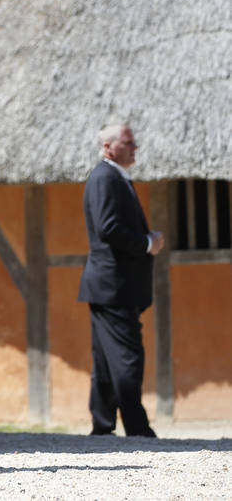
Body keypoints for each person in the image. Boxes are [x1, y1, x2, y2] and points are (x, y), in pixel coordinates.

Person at [79, 123, 163, 437]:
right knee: (128, 356)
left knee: (105, 359)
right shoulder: (104, 177)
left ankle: (102, 425)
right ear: (108, 146)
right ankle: (137, 427)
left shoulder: (114, 177)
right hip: (113, 286)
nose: (135, 147)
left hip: (109, 286)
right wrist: (146, 243)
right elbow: (108, 228)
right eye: (128, 142)